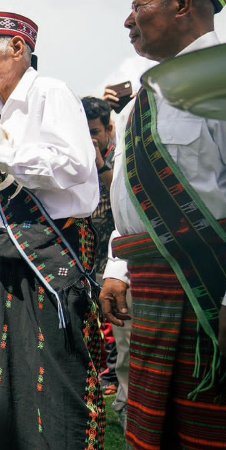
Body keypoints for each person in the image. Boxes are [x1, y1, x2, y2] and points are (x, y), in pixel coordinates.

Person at [99, 0, 226, 450]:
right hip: (152, 293)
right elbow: (128, 198)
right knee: (155, 447)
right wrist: (117, 267)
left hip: (214, 294)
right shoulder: (140, 99)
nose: (128, 20)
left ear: (182, 4)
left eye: (138, 6)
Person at [0, 11, 104, 450]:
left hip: (52, 255)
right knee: (15, 384)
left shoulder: (49, 94)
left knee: (55, 384)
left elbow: (75, 164)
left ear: (16, 47)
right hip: (15, 256)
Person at [82, 96, 123, 401]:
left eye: (94, 132)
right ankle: (100, 372)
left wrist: (99, 164)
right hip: (87, 255)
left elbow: (119, 194)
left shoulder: (121, 155)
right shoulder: (77, 159)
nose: (90, 138)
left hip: (116, 258)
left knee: (113, 321)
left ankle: (113, 375)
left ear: (109, 128)